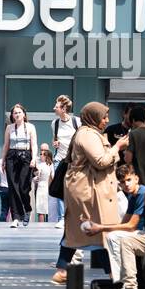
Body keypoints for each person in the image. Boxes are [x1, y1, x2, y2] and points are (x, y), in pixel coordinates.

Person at [54, 102, 128, 285]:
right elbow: (101, 161)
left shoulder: (90, 133)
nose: (107, 121)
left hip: (89, 189)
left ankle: (62, 269)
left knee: (84, 232)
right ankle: (113, 276)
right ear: (93, 117)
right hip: (87, 192)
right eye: (103, 117)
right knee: (97, 232)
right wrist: (117, 147)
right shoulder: (87, 135)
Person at [83, 164, 145, 285]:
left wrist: (101, 228)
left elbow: (131, 226)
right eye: (123, 182)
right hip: (141, 233)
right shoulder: (132, 195)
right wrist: (100, 227)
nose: (126, 184)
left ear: (136, 178)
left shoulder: (143, 193)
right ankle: (119, 277)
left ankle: (121, 280)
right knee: (110, 236)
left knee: (112, 237)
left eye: (129, 180)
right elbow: (124, 222)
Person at [0, 103, 37, 228]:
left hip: (26, 156)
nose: (17, 114)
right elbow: (5, 145)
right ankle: (16, 217)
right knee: (13, 187)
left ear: (24, 114)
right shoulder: (9, 128)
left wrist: (34, 159)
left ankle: (27, 209)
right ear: (12, 116)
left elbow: (34, 144)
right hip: (12, 156)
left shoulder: (31, 127)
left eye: (19, 112)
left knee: (23, 187)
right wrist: (3, 160)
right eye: (15, 113)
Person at [48, 96, 80, 227]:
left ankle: (75, 216)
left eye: (57, 106)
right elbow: (54, 140)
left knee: (75, 189)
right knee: (60, 188)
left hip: (74, 160)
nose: (54, 108)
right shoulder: (54, 123)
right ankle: (62, 218)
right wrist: (54, 143)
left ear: (64, 108)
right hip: (60, 159)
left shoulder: (76, 121)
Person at [34, 146, 53, 223]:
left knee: (41, 210)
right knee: (48, 209)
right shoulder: (50, 165)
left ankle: (41, 227)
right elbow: (53, 177)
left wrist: (34, 179)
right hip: (48, 188)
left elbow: (36, 177)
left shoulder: (40, 165)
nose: (40, 155)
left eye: (42, 154)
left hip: (41, 188)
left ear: (45, 156)